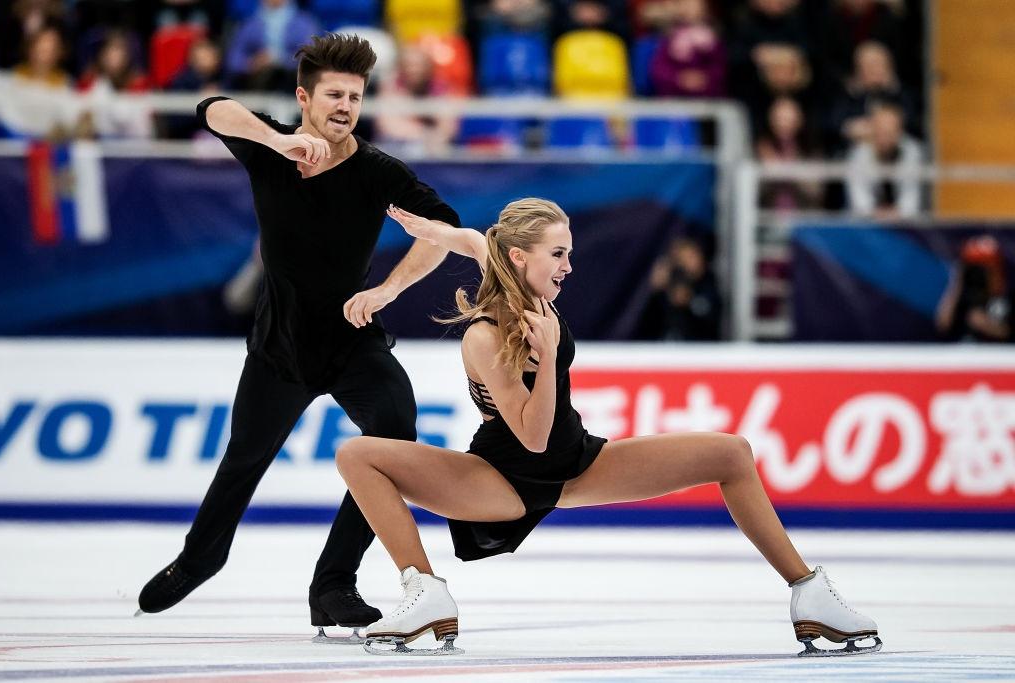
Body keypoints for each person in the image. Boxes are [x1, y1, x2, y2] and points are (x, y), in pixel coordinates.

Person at [334, 199, 882, 657]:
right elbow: (531, 438)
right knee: (359, 455)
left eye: (568, 251)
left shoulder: (521, 281)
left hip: (578, 463)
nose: (569, 264)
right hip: (501, 480)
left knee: (732, 452)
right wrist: (546, 358)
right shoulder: (485, 335)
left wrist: (437, 232)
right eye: (558, 253)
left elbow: (478, 242)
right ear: (521, 257)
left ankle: (809, 594)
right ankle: (424, 589)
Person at [136, 33, 463, 643]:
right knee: (244, 459)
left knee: (396, 439)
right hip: (279, 348)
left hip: (353, 339)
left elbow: (444, 227)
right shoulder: (270, 148)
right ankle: (201, 558)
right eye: (334, 94)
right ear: (304, 97)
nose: (344, 106)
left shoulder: (376, 171)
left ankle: (333, 584)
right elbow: (211, 108)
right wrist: (277, 139)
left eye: (355, 97)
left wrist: (388, 290)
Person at [936, 235, 1012, 343]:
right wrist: (957, 281)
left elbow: (1008, 332)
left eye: (984, 268)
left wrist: (987, 324)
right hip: (965, 354)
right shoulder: (965, 296)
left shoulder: (1007, 296)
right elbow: (943, 324)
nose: (979, 274)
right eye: (975, 267)